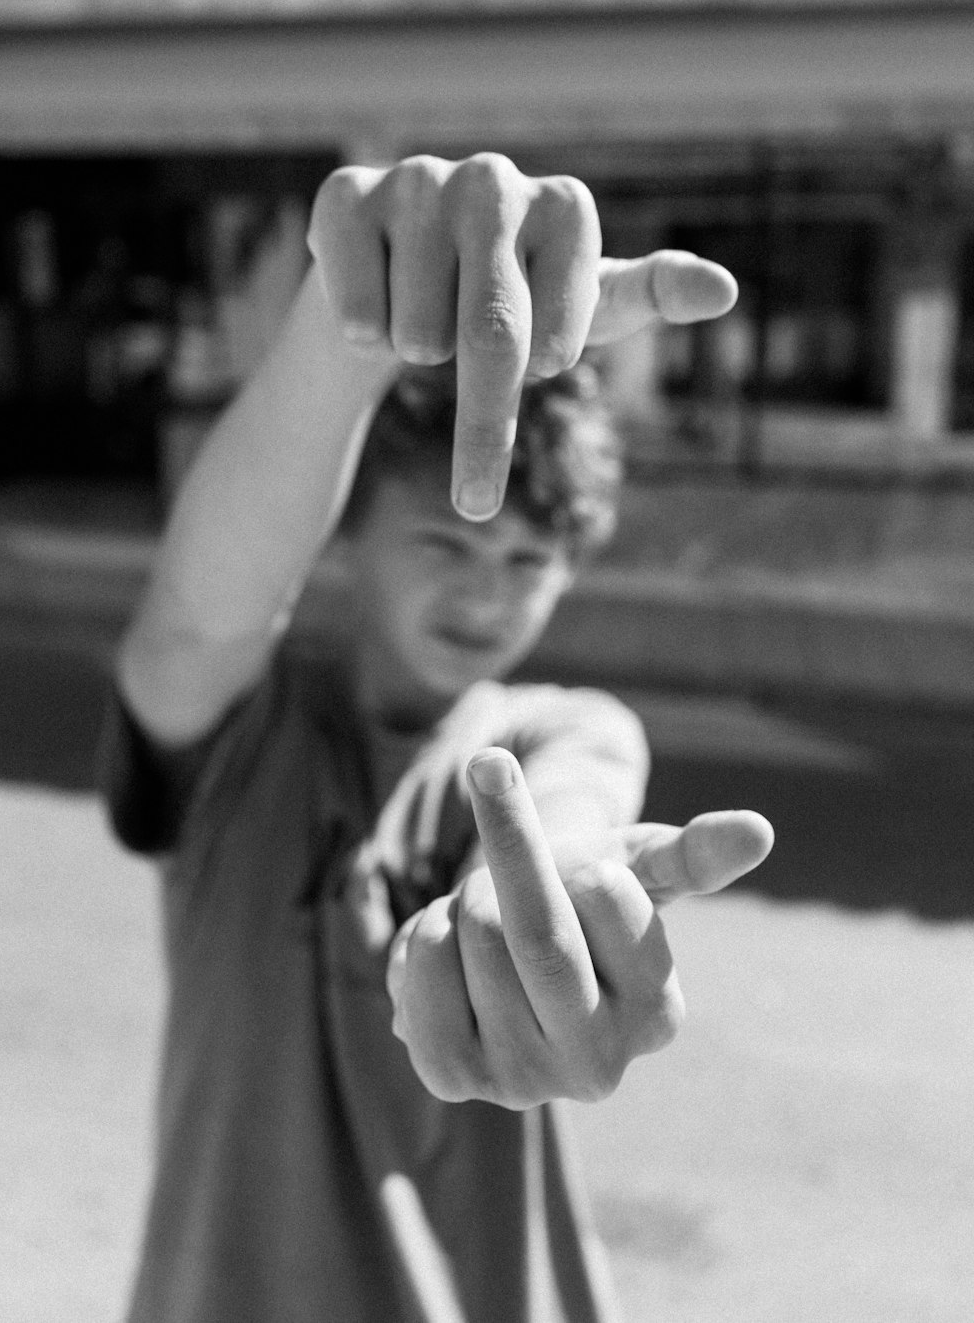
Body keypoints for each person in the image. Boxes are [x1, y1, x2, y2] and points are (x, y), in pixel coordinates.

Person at [100, 152, 774, 1322]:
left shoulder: (558, 727)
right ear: (352, 539)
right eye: (447, 545)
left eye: (528, 562)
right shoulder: (250, 737)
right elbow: (197, 620)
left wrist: (542, 912)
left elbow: (569, 814)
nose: (486, 598)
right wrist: (347, 327)